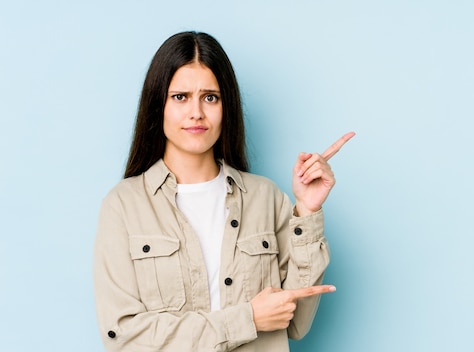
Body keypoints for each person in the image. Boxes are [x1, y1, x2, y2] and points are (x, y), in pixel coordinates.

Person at [93, 31, 354, 352]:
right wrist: (247, 319)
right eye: (180, 97)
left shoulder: (266, 198)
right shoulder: (123, 205)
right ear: (157, 104)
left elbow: (297, 323)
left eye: (210, 97)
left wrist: (307, 210)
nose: (196, 113)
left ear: (225, 105)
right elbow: (125, 338)